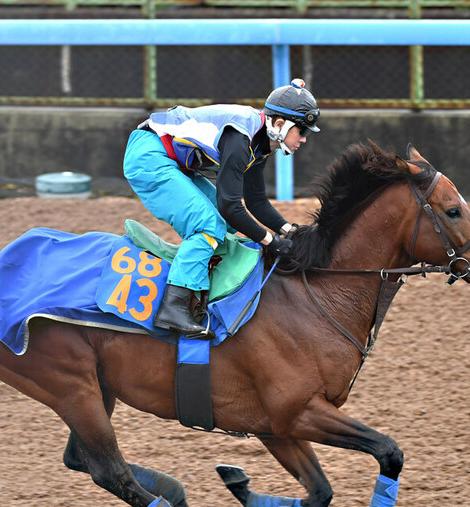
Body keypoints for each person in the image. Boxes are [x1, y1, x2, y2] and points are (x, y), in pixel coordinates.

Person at [122, 78, 321, 339]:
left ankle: (208, 288)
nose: (304, 140)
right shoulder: (241, 141)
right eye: (302, 131)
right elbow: (230, 205)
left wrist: (288, 230)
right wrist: (271, 241)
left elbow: (256, 201)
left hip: (172, 161)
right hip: (149, 156)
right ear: (281, 125)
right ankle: (174, 307)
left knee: (226, 225)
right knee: (208, 225)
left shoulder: (260, 144)